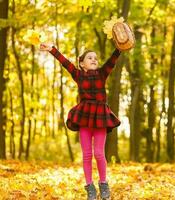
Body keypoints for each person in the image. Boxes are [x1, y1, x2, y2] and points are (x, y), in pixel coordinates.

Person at [40, 42, 122, 200]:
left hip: (100, 118)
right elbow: (65, 62)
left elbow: (112, 60)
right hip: (84, 118)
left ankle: (103, 184)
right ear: (82, 63)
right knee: (86, 155)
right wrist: (52, 49)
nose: (94, 60)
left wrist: (119, 48)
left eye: (96, 58)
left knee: (99, 153)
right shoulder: (78, 75)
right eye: (90, 58)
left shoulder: (102, 73)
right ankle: (90, 187)